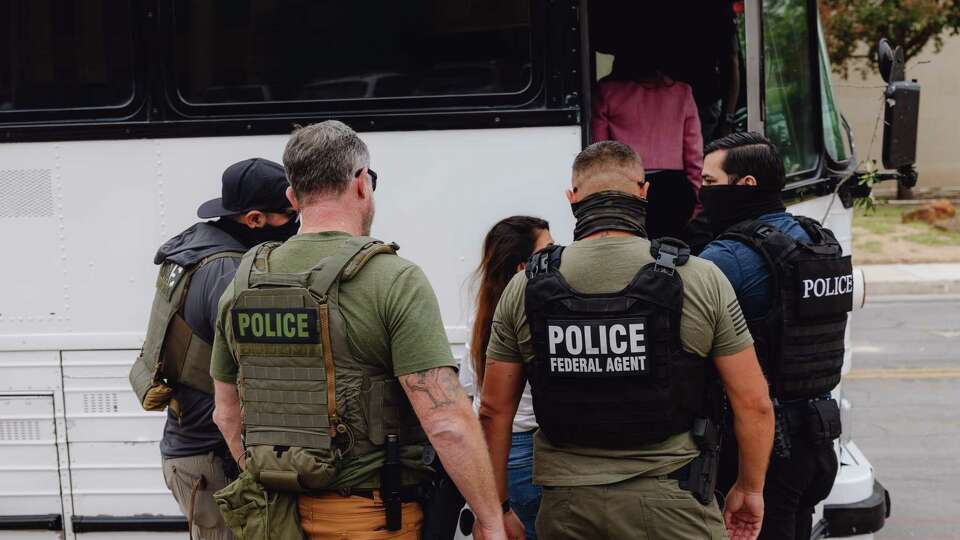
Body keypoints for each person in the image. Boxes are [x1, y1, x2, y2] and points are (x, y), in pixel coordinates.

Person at [209, 120, 507, 540]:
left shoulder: (245, 281)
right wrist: (490, 519)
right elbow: (446, 422)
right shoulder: (393, 278)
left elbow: (226, 413)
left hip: (275, 519)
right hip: (369, 519)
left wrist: (274, 481)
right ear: (362, 184)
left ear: (293, 197)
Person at [478, 140, 775, 540]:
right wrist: (750, 488)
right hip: (674, 506)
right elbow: (754, 404)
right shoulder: (700, 278)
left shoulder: (526, 285)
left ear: (572, 198)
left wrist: (495, 510)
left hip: (568, 511)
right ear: (643, 193)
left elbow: (494, 410)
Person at [129, 158, 299, 540]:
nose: (295, 224)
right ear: (254, 219)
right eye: (288, 214)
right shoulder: (226, 271)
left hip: (194, 451)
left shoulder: (197, 247)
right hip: (211, 462)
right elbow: (255, 367)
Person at [699, 132, 849, 540]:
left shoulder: (729, 257)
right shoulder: (819, 241)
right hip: (819, 438)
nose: (702, 193)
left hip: (762, 450)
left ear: (745, 185)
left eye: (710, 183)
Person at [459, 216, 553, 539]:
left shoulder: (481, 311)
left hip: (488, 452)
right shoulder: (537, 313)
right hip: (526, 449)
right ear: (522, 268)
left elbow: (472, 392)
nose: (557, 258)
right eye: (548, 251)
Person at [591, 53, 704, 207]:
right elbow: (694, 153)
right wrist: (698, 198)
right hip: (674, 186)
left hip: (628, 184)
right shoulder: (682, 92)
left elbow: (601, 152)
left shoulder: (606, 91)